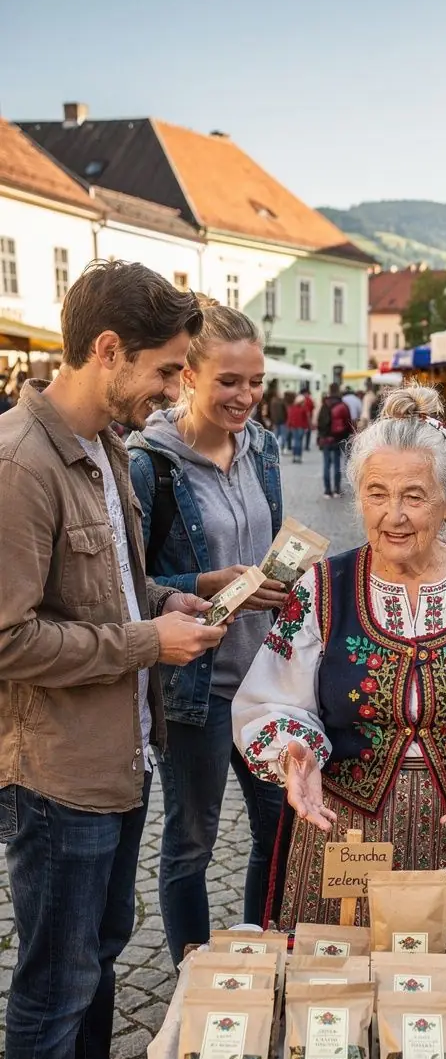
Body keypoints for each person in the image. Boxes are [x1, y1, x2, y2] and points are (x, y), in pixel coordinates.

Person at [0, 260, 226, 1059]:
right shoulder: (21, 462)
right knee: (52, 993)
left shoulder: (101, 446)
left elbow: (119, 590)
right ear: (105, 350)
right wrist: (145, 643)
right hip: (54, 774)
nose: (174, 390)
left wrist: (192, 594)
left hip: (117, 756)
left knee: (97, 956)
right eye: (169, 369)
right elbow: (7, 641)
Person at [233, 384, 446, 930]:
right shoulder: (324, 587)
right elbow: (271, 699)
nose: (393, 515)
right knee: (343, 997)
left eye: (414, 496)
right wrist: (295, 752)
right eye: (376, 494)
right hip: (346, 828)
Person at [129, 300, 286, 966]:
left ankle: (260, 958)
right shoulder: (148, 465)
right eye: (229, 381)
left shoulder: (266, 450)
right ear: (188, 376)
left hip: (265, 680)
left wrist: (283, 582)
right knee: (191, 841)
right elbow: (128, 583)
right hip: (195, 688)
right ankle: (193, 972)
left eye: (254, 381)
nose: (246, 396)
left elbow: (272, 546)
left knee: (278, 831)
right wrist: (203, 584)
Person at [317, 382, 354, 498]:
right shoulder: (343, 405)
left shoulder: (325, 404)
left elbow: (320, 422)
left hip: (326, 439)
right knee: (337, 464)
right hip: (338, 438)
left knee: (326, 465)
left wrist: (321, 436)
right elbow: (348, 422)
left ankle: (327, 491)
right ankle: (337, 490)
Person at [286, 391, 309, 463]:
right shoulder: (303, 409)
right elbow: (306, 419)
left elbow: (289, 417)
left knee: (295, 442)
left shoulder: (292, 408)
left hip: (293, 427)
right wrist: (306, 427)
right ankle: (298, 457)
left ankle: (295, 457)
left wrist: (289, 425)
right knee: (299, 442)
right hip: (301, 427)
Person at [300, 385, 315, 451]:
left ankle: (303, 445)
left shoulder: (300, 400)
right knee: (307, 433)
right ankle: (306, 446)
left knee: (303, 433)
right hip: (306, 419)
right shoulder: (309, 399)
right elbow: (312, 408)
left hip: (303, 419)